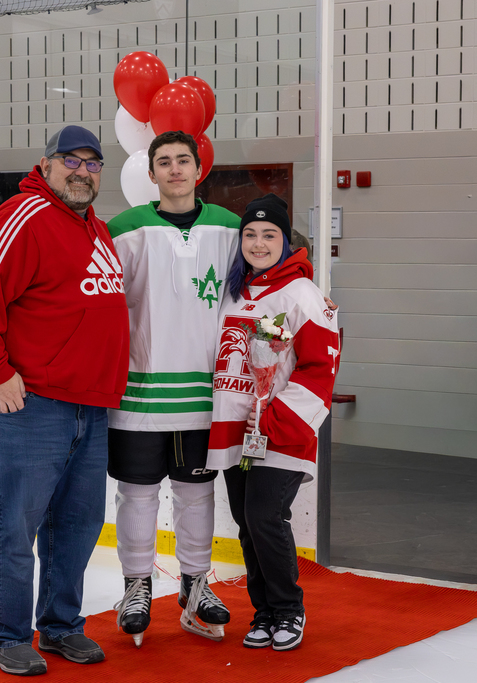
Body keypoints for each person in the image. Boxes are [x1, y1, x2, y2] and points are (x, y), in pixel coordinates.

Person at [0, 125, 129, 676]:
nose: (82, 171)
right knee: (16, 523)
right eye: (71, 161)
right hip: (29, 406)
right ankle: (8, 635)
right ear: (46, 164)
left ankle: (60, 626)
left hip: (89, 407)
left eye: (93, 164)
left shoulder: (96, 228)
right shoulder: (24, 215)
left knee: (77, 525)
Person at [106, 130, 241, 647]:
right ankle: (136, 586)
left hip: (204, 394)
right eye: (164, 162)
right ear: (151, 173)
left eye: (184, 160)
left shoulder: (230, 227)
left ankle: (195, 584)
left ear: (199, 168)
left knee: (196, 493)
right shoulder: (125, 229)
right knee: (137, 495)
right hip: (138, 393)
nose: (175, 169)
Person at [206, 193, 340, 652]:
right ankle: (262, 612)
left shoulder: (302, 293)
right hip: (237, 430)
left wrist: (275, 417)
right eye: (250, 234)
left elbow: (321, 368)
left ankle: (288, 610)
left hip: (280, 429)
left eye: (269, 235)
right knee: (247, 522)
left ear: (286, 241)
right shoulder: (235, 291)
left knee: (266, 517)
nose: (258, 243)